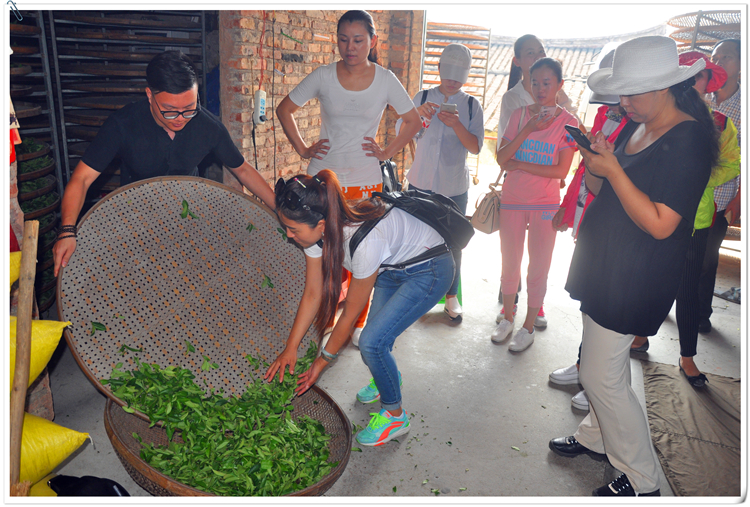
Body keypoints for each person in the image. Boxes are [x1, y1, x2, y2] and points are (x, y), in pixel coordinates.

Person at [550, 36, 717, 496]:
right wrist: (598, 167)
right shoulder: (631, 125)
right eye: (619, 93)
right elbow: (608, 195)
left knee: (597, 374)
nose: (623, 103)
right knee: (603, 364)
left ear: (665, 87)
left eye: (632, 92)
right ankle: (597, 437)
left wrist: (616, 171)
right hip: (605, 260)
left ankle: (644, 480)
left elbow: (662, 224)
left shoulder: (690, 140)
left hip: (635, 273)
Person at [264, 169, 454, 447]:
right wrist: (290, 348)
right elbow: (313, 293)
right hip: (391, 268)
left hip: (430, 269)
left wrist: (322, 362)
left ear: (320, 224)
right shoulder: (317, 233)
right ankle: (387, 377)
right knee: (378, 342)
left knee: (372, 343)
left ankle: (395, 415)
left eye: (293, 229)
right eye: (287, 228)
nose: (289, 236)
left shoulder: (364, 243)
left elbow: (350, 314)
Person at [53, 50, 275, 276]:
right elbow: (81, 179)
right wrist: (67, 231)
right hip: (136, 218)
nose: (180, 119)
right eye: (169, 111)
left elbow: (243, 169)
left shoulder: (209, 127)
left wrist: (279, 209)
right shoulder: (122, 125)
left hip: (188, 216)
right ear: (150, 95)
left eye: (189, 109)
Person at [276, 10, 421, 345]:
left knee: (362, 255)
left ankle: (358, 322)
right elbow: (285, 109)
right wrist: (302, 148)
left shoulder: (385, 79)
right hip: (324, 180)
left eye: (358, 40)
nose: (350, 47)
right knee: (326, 255)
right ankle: (325, 318)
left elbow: (413, 121)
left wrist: (387, 151)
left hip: (365, 179)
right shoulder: (324, 76)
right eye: (343, 40)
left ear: (373, 41)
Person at [629, 51, 740, 388]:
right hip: (653, 216)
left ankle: (687, 356)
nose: (695, 82)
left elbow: (732, 163)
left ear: (708, 83)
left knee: (688, 290)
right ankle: (637, 335)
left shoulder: (721, 123)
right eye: (688, 76)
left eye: (701, 76)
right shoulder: (654, 119)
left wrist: (691, 178)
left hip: (697, 220)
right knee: (643, 280)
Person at [548, 50, 630, 411]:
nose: (613, 107)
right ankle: (585, 367)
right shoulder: (604, 116)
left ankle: (599, 382)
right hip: (590, 215)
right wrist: (569, 208)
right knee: (588, 301)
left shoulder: (643, 127)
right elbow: (588, 170)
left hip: (615, 225)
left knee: (608, 309)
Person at [492, 57, 578, 351]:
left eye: (547, 83)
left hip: (545, 204)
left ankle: (528, 326)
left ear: (559, 85)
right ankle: (507, 317)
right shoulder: (518, 116)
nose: (540, 89)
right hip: (513, 199)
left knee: (538, 266)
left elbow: (560, 171)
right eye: (535, 83)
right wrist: (527, 129)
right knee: (509, 262)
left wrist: (521, 164)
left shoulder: (569, 122)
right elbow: (502, 159)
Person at [402, 43, 484, 320]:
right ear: (438, 69)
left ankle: (451, 295)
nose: (452, 80)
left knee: (453, 242)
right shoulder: (422, 96)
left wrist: (456, 125)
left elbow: (475, 147)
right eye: (448, 72)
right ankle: (414, 295)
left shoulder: (472, 105)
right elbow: (405, 135)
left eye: (458, 74)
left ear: (466, 75)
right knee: (415, 241)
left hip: (453, 186)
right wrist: (418, 117)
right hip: (420, 180)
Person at [698, 38, 742, 333]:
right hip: (689, 190)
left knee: (706, 259)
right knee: (676, 252)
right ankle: (667, 303)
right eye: (716, 56)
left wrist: (736, 205)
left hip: (721, 198)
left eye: (727, 56)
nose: (720, 61)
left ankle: (700, 312)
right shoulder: (700, 98)